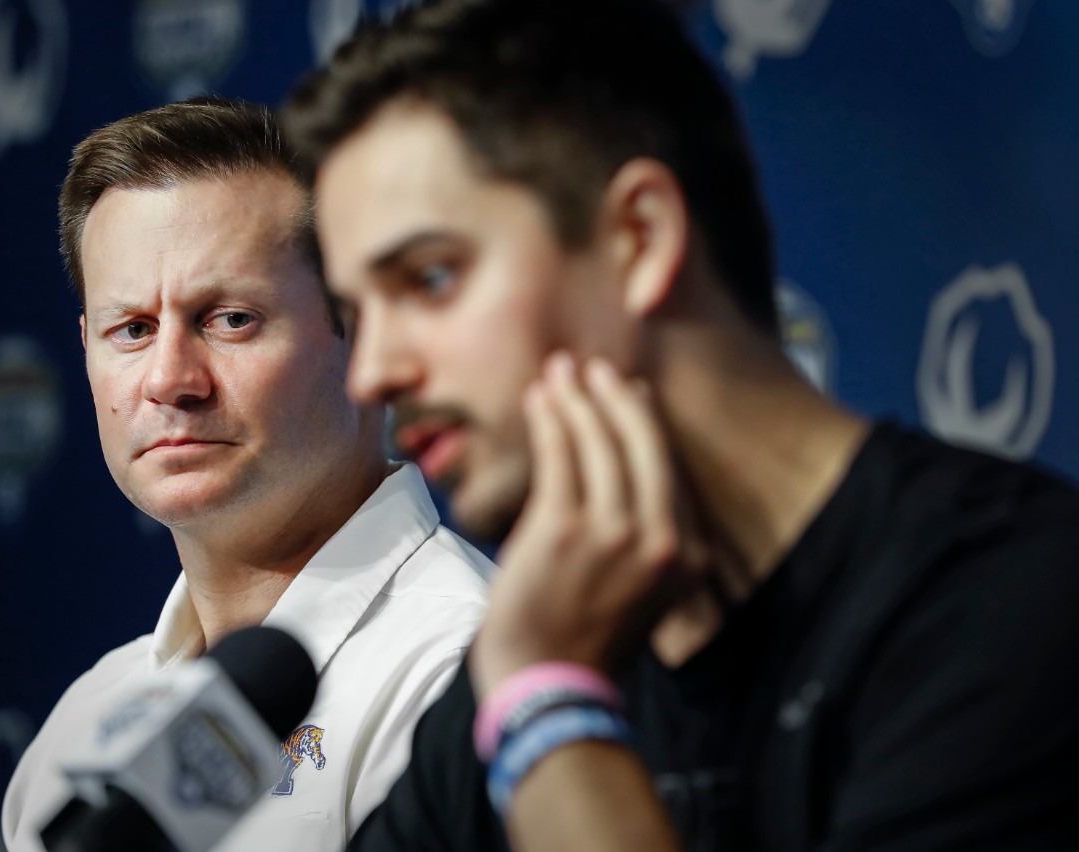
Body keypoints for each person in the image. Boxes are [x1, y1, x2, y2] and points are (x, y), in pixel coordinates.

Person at [283, 0, 1079, 848]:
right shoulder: (518, 668)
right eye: (358, 314)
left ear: (640, 237)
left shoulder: (1013, 608)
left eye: (430, 279)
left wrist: (550, 709)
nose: (372, 374)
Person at [1, 97, 491, 851]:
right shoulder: (86, 725)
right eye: (131, 330)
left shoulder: (461, 674)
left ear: (361, 332)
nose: (170, 379)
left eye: (229, 319)